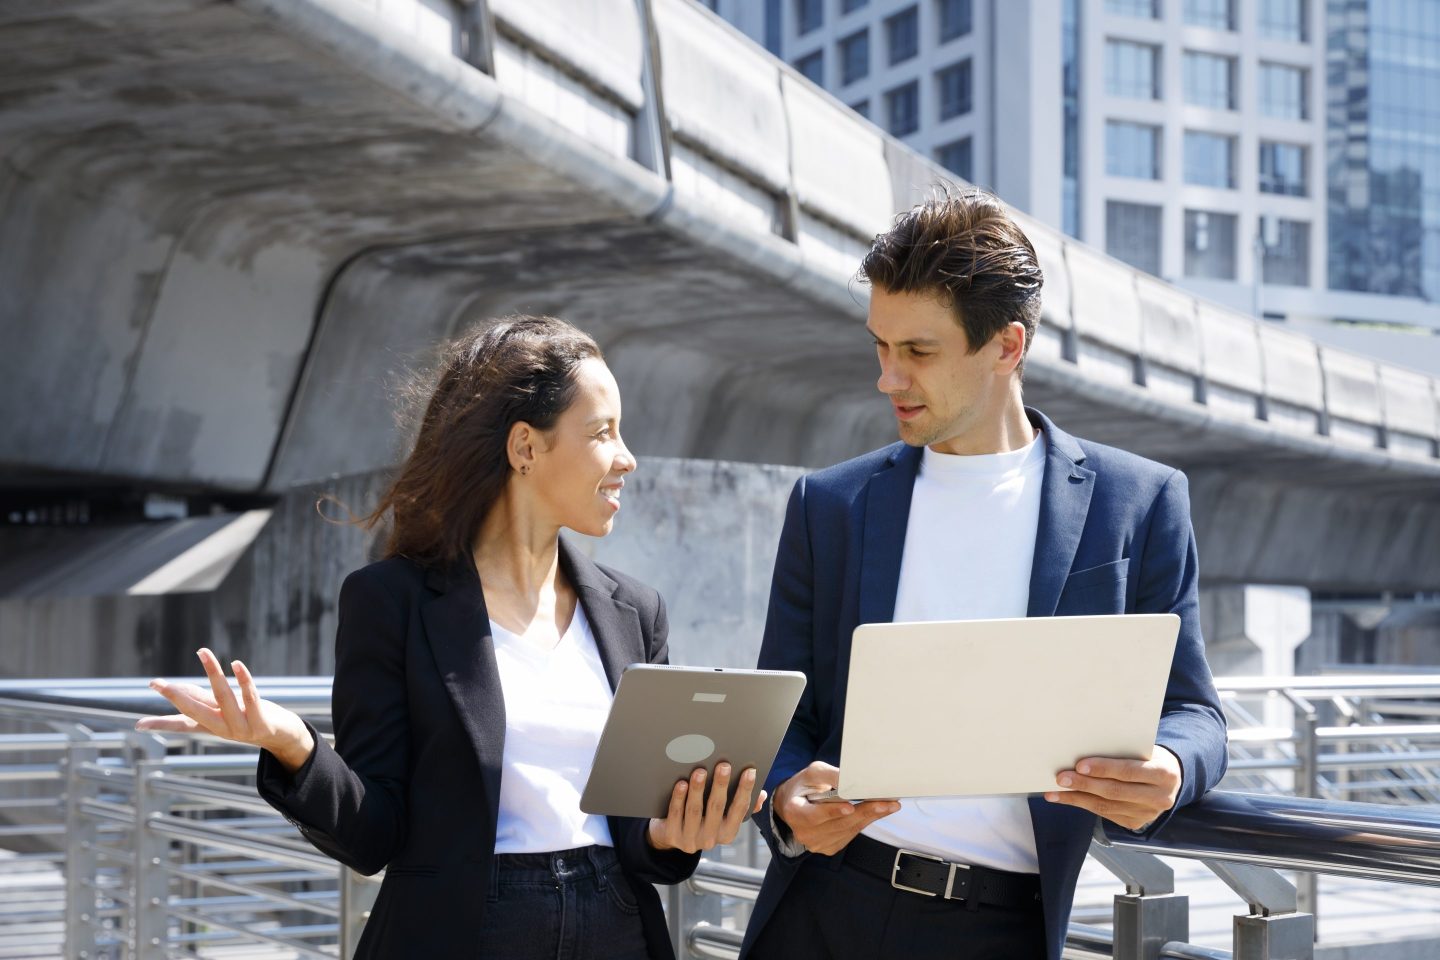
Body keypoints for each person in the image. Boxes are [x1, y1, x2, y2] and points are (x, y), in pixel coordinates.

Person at [138, 316, 763, 960]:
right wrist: (293, 744)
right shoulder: (391, 602)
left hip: (617, 930)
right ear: (526, 447)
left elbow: (641, 841)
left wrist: (672, 832)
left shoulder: (636, 611)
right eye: (603, 432)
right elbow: (374, 834)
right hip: (464, 934)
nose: (627, 457)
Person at [742, 188, 1228, 960]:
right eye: (881, 346)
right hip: (827, 913)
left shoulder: (1138, 501)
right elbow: (782, 715)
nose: (888, 379)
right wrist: (791, 793)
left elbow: (1195, 712)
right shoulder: (829, 505)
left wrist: (1170, 765)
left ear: (1007, 346)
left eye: (919, 353)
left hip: (1004, 928)